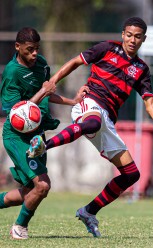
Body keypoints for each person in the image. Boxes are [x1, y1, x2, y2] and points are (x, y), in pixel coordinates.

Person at [27, 17, 153, 238]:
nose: (132, 40)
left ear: (143, 39)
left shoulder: (141, 69)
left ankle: (89, 211)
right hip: (88, 104)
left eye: (137, 36)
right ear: (123, 34)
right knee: (93, 121)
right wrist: (53, 82)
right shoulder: (107, 48)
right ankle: (44, 145)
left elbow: (150, 104)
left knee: (131, 174)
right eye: (129, 34)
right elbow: (75, 62)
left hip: (106, 119)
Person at [0, 27, 88, 240]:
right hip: (17, 137)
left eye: (37, 49)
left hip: (37, 135)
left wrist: (72, 102)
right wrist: (43, 92)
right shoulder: (12, 72)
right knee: (43, 185)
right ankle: (19, 228)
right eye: (29, 49)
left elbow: (48, 94)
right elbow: (16, 113)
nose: (34, 54)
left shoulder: (41, 64)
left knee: (29, 192)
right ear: (17, 47)